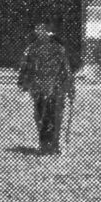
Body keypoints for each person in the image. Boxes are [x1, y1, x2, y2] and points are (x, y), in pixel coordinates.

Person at [17, 22, 75, 155]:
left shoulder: (58, 49)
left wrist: (70, 88)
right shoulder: (32, 49)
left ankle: (53, 146)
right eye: (38, 30)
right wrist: (23, 82)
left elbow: (66, 70)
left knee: (54, 117)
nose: (41, 34)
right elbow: (25, 67)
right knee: (42, 116)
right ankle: (45, 146)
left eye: (44, 31)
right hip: (39, 89)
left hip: (56, 88)